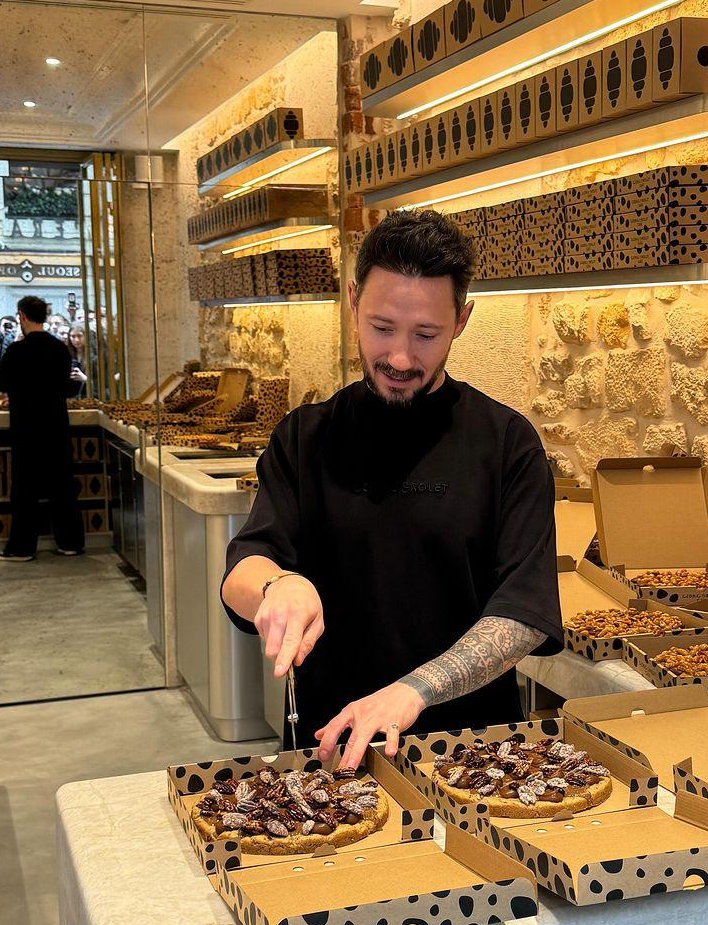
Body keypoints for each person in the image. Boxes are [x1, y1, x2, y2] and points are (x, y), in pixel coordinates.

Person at [221, 209, 562, 767]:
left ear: (462, 320)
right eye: (381, 328)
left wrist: (413, 692)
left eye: (425, 335)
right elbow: (243, 568)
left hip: (472, 755)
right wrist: (276, 586)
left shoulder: (507, 443)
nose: (400, 358)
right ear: (352, 301)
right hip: (332, 747)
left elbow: (523, 614)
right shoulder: (305, 437)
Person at [0, 294, 85, 562]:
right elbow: (64, 385)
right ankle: (71, 543)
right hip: (56, 424)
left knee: (25, 489)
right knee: (63, 485)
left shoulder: (18, 350)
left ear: (21, 316)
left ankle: (22, 547)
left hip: (27, 426)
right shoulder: (59, 349)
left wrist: (16, 388)